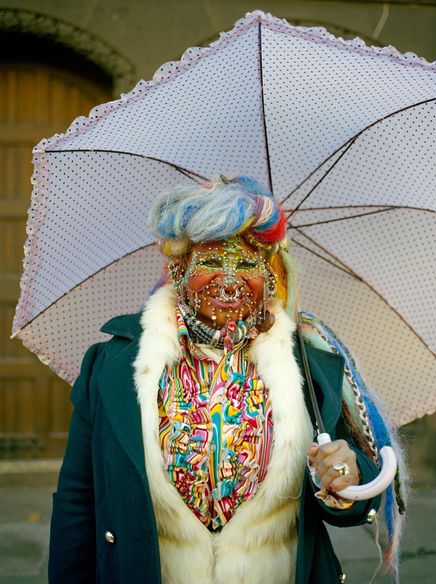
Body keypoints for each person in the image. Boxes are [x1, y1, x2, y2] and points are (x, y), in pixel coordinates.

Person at [49, 176, 405, 584]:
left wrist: (347, 479)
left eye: (248, 264)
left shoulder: (309, 365)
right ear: (180, 270)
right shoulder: (111, 364)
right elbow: (78, 501)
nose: (231, 278)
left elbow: (350, 501)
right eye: (212, 262)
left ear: (269, 275)